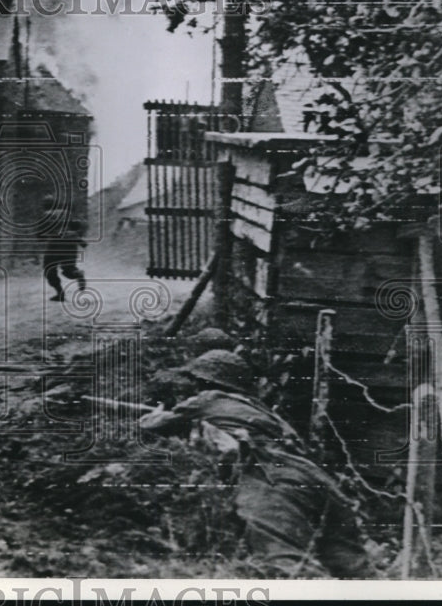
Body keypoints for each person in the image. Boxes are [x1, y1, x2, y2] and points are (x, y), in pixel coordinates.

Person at [140, 349, 370, 578]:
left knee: (286, 567)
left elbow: (153, 425)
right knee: (352, 568)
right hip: (314, 476)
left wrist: (155, 416)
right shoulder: (260, 409)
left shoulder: (208, 399)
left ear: (203, 382)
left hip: (271, 479)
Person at [43, 214, 87, 302]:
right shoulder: (70, 226)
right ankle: (78, 274)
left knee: (49, 271)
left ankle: (60, 293)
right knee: (69, 270)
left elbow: (41, 234)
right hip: (68, 249)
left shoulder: (50, 217)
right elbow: (84, 244)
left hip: (53, 248)